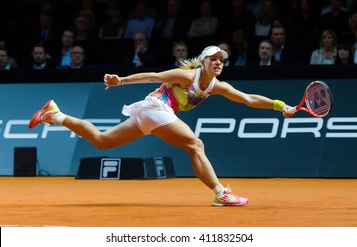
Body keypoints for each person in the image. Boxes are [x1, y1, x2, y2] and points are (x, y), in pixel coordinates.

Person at [28, 45, 296, 206]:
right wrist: (120, 81)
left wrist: (278, 105)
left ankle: (55, 115)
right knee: (195, 144)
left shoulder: (218, 86)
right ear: (202, 61)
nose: (218, 63)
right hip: (155, 108)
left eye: (221, 60)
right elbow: (152, 76)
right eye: (213, 58)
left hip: (152, 112)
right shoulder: (185, 76)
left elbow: (248, 99)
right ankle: (220, 193)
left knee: (102, 140)